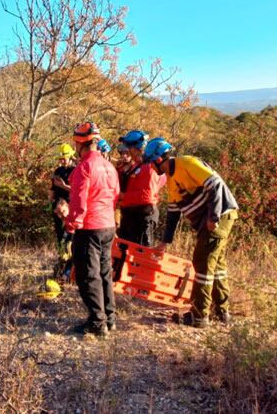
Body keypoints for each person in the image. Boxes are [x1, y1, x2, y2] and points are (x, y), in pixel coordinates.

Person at [143, 137, 239, 327]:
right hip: (209, 222)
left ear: (158, 159)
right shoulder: (170, 180)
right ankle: (222, 311)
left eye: (151, 163)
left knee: (202, 264)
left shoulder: (187, 163)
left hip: (220, 218)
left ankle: (199, 316)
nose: (151, 168)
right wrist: (165, 242)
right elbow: (173, 214)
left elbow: (216, 184)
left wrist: (214, 217)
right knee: (216, 265)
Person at [57, 122, 120, 336]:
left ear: (80, 143)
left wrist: (71, 224)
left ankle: (97, 322)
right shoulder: (109, 166)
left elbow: (79, 200)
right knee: (104, 273)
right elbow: (115, 195)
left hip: (89, 227)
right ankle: (109, 317)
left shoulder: (84, 168)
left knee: (87, 275)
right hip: (107, 225)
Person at [116, 130, 164, 247]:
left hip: (143, 217)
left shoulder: (149, 166)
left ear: (134, 148)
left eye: (128, 147)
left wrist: (123, 196)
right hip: (130, 216)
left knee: (139, 257)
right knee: (123, 253)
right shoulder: (137, 165)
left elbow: (147, 196)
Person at [49, 144, 76, 278]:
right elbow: (52, 189)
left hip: (69, 208)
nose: (62, 160)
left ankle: (70, 264)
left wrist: (64, 186)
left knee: (70, 237)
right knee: (60, 237)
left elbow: (77, 191)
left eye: (64, 157)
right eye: (60, 158)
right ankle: (62, 259)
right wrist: (50, 204)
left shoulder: (75, 170)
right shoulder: (58, 171)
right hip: (57, 207)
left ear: (70, 156)